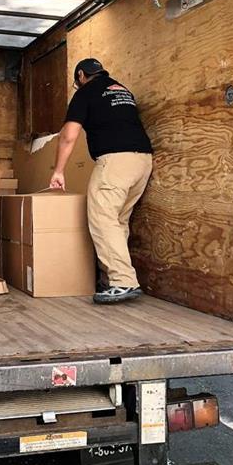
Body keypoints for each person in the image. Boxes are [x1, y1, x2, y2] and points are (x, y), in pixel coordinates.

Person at [49, 58, 153, 304]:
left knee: (102, 218)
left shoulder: (86, 93)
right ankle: (111, 278)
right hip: (142, 161)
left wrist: (59, 171)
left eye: (78, 81)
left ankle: (123, 281)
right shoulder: (122, 90)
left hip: (115, 162)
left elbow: (69, 135)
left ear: (82, 75)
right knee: (117, 221)